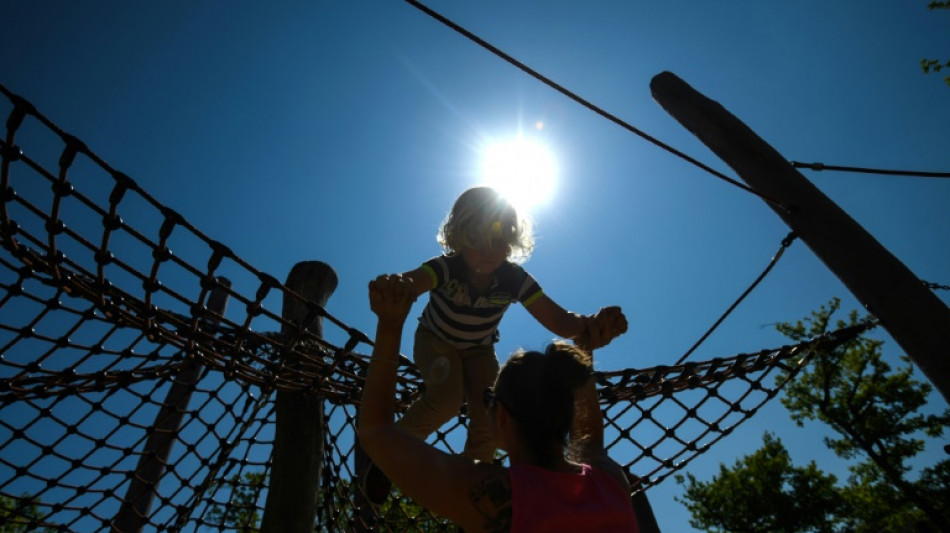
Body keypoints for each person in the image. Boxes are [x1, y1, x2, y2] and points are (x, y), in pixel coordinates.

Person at [359, 186, 627, 503]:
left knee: (489, 415)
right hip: (436, 342)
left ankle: (473, 487)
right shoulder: (446, 268)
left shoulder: (513, 279)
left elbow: (557, 319)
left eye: (497, 242)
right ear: (459, 238)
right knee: (446, 399)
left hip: (479, 351)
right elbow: (413, 282)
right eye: (477, 242)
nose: (487, 252)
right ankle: (390, 456)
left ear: (511, 242)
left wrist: (590, 324)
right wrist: (396, 286)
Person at [359, 274, 648, 532]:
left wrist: (390, 325)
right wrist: (583, 349)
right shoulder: (610, 482)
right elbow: (591, 441)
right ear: (564, 415)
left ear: (503, 416)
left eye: (488, 398)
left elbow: (375, 430)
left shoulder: (497, 498)